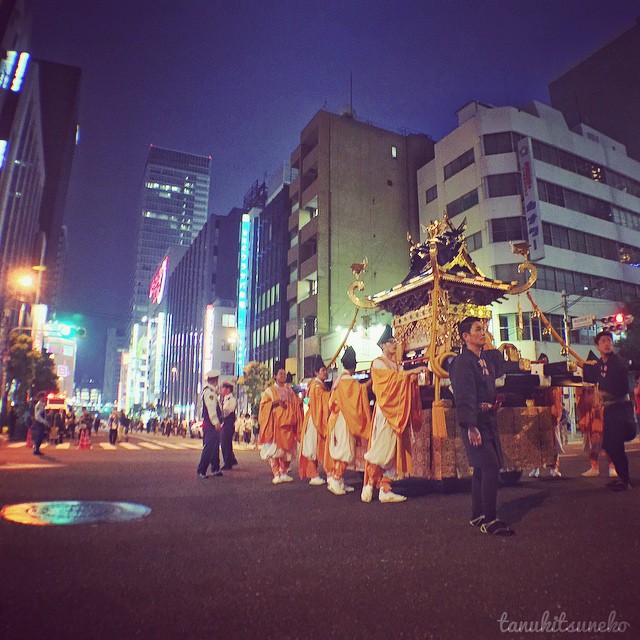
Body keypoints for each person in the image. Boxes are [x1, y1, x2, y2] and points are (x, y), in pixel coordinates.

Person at [449, 316, 514, 536]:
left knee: (480, 467)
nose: (483, 331)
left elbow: (500, 364)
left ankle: (477, 515)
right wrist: (470, 426)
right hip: (475, 421)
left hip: (488, 419)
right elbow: (464, 395)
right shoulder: (462, 362)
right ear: (465, 336)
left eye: (484, 327)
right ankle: (490, 519)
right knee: (490, 466)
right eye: (478, 329)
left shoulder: (483, 358)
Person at [361, 325, 426, 503]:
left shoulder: (394, 364)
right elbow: (388, 384)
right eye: (390, 342)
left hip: (398, 410)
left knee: (392, 450)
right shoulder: (378, 363)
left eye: (394, 342)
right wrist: (409, 374)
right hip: (386, 412)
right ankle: (370, 483)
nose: (394, 345)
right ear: (382, 345)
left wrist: (411, 378)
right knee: (381, 449)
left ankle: (384, 488)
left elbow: (400, 380)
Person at [582, 331, 633, 491]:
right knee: (610, 445)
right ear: (597, 346)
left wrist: (604, 394)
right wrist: (582, 366)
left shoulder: (618, 362)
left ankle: (625, 480)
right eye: (603, 341)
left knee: (615, 443)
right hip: (610, 409)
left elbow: (622, 385)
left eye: (609, 340)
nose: (607, 343)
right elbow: (591, 374)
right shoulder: (600, 365)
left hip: (621, 408)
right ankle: (622, 477)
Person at [325, 346, 371, 496]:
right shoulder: (347, 381)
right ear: (354, 365)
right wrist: (371, 382)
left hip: (337, 418)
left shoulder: (339, 379)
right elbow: (360, 392)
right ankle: (336, 479)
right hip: (343, 419)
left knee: (341, 449)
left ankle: (338, 480)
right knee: (346, 450)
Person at [258, 362, 303, 484]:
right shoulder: (269, 391)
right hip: (276, 426)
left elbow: (296, 403)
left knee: (287, 451)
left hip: (289, 425)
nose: (283, 376)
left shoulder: (289, 390)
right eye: (280, 374)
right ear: (275, 376)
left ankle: (284, 472)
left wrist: (302, 400)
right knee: (276, 451)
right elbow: (263, 407)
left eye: (284, 373)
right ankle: (276, 473)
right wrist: (275, 403)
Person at [298, 355, 329, 486]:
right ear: (316, 372)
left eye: (325, 369)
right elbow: (319, 403)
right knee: (313, 447)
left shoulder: (314, 385)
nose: (325, 372)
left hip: (312, 417)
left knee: (314, 446)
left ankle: (314, 473)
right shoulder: (316, 387)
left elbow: (307, 401)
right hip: (315, 419)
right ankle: (313, 474)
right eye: (322, 370)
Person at [196, 369, 224, 479]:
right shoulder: (210, 393)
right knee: (209, 447)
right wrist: (215, 422)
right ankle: (201, 470)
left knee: (214, 446)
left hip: (209, 424)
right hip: (210, 424)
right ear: (215, 380)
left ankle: (215, 468)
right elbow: (211, 409)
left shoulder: (209, 392)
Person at [219, 382, 238, 470]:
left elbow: (226, 412)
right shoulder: (224, 399)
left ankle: (228, 463)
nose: (221, 390)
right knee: (225, 442)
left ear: (227, 390)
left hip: (228, 424)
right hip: (225, 424)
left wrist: (219, 414)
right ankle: (231, 459)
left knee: (225, 443)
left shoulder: (231, 400)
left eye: (222, 388)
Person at [32, 391, 48, 456]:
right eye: (43, 397)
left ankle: (37, 449)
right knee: (39, 436)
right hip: (39, 423)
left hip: (41, 423)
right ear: (41, 397)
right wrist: (44, 422)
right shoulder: (39, 405)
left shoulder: (42, 405)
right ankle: (36, 450)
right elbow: (37, 416)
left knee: (41, 436)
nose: (44, 398)